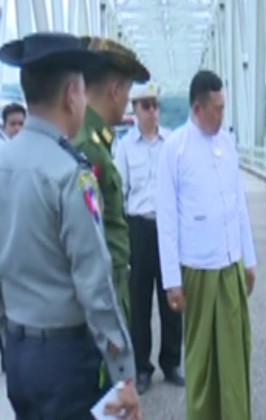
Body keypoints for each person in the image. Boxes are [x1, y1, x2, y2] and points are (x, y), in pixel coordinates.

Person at [0, 32, 141, 419]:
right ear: (71, 96)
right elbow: (95, 284)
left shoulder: (4, 163)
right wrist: (125, 376)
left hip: (19, 353)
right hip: (66, 361)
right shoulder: (70, 175)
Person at [156, 69, 257, 419]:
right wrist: (172, 280)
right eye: (218, 109)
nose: (222, 115)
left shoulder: (227, 144)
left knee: (235, 355)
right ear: (197, 109)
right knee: (201, 360)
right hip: (197, 268)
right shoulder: (175, 148)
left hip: (230, 264)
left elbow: (239, 205)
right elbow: (166, 219)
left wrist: (249, 260)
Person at [73, 36, 151, 330]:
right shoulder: (88, 147)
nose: (128, 101)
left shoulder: (97, 141)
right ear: (115, 90)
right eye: (128, 91)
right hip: (104, 296)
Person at [114, 81, 184, 394]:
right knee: (139, 302)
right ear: (135, 109)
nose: (153, 111)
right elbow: (120, 193)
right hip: (139, 227)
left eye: (156, 105)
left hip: (167, 227)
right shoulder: (125, 147)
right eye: (146, 105)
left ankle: (171, 361)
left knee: (172, 297)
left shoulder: (172, 143)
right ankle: (141, 367)